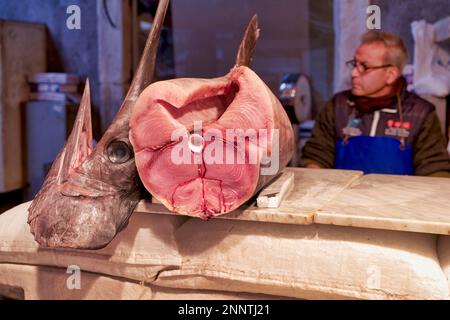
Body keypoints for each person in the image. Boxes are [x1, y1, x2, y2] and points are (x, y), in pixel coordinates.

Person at [301, 31, 450, 177]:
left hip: (400, 201)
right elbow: (316, 156)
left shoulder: (421, 113)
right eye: (354, 64)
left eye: (364, 67)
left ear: (390, 75)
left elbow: (434, 168)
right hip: (342, 200)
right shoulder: (338, 106)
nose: (353, 73)